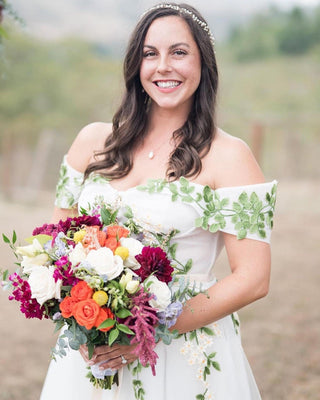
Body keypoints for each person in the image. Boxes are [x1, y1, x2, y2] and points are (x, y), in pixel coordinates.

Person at [40, 3, 277, 399]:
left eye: (179, 52)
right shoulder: (91, 142)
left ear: (205, 63)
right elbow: (55, 246)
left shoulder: (230, 156)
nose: (163, 66)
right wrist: (80, 316)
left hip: (182, 354)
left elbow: (253, 279)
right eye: (150, 53)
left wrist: (148, 331)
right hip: (92, 354)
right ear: (136, 65)